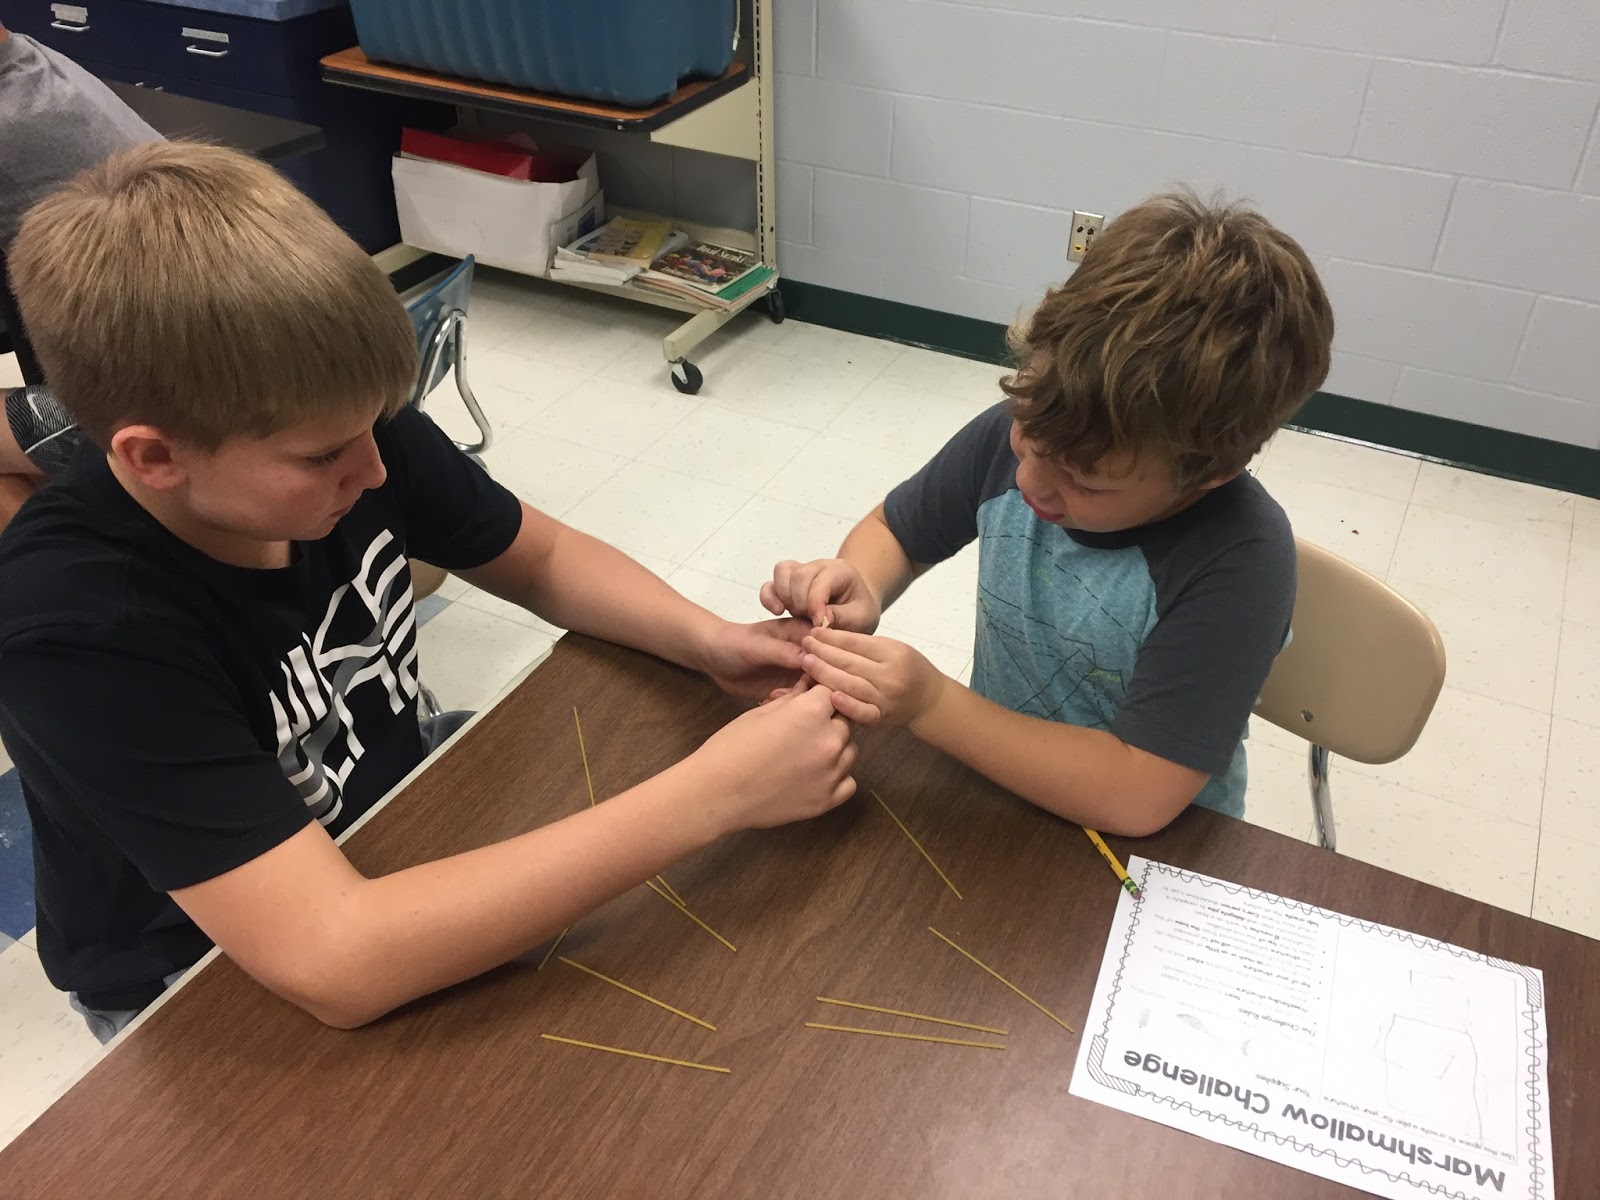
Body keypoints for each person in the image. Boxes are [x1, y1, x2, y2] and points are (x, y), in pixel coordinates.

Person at [0, 140, 854, 1040]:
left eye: (376, 428)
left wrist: (706, 640)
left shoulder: (338, 421)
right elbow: (336, 959)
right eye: (325, 456)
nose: (374, 471)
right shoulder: (81, 631)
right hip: (201, 971)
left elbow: (541, 558)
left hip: (384, 820)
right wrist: (712, 795)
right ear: (155, 457)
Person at [761, 192, 1334, 837]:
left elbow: (1136, 794)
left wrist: (930, 703)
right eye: (1027, 437)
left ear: (1208, 474)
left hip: (1150, 851)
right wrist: (860, 585)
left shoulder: (1240, 561)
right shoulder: (1045, 426)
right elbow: (897, 532)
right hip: (995, 791)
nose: (1030, 481)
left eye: (1085, 483)